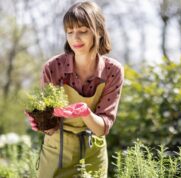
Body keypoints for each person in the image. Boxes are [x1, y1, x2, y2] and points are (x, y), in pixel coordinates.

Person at [25, 1, 124, 178]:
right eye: (70, 32)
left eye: (83, 31)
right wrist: (41, 121)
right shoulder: (53, 68)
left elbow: (102, 128)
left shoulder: (112, 71)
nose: (75, 38)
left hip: (92, 155)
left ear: (99, 32)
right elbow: (49, 125)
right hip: (57, 152)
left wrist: (85, 112)